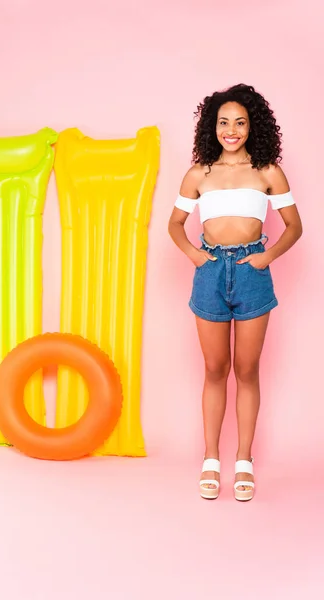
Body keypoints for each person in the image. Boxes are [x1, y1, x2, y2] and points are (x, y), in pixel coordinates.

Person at [168, 83, 302, 501]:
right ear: (212, 127)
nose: (231, 130)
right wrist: (194, 256)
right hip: (210, 272)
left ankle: (244, 459)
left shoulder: (267, 171)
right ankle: (211, 458)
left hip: (250, 272)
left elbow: (295, 226)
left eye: (240, 122)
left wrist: (267, 257)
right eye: (223, 122)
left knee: (246, 369)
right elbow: (175, 224)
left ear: (252, 126)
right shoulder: (198, 173)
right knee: (213, 369)